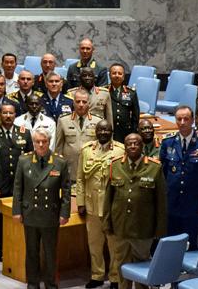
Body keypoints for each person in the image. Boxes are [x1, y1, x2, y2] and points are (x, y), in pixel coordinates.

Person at [104, 133, 167, 287]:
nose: (133, 146)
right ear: (124, 147)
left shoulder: (154, 167)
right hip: (121, 228)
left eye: (136, 143)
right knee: (121, 268)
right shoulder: (115, 165)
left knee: (141, 270)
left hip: (143, 229)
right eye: (129, 144)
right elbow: (108, 199)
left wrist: (159, 230)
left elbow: (161, 202)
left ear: (142, 146)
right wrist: (107, 224)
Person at [12, 128, 71, 289]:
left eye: (44, 141)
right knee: (32, 252)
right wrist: (17, 211)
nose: (40, 145)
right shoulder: (24, 160)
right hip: (30, 213)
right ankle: (33, 284)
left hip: (50, 214)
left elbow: (66, 191)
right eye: (37, 141)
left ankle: (51, 284)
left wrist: (64, 213)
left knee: (50, 253)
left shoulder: (59, 162)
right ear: (33, 142)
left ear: (49, 142)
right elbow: (18, 188)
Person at [76, 120, 124, 289]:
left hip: (112, 207)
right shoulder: (87, 150)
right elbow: (80, 178)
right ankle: (96, 275)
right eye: (100, 130)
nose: (103, 132)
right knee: (94, 244)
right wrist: (80, 202)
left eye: (107, 130)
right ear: (95, 131)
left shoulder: (120, 150)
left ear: (112, 132)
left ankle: (115, 278)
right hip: (92, 205)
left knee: (114, 245)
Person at [160, 106, 198, 249]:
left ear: (192, 120)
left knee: (191, 243)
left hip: (193, 203)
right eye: (179, 119)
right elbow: (162, 175)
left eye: (186, 119)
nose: (182, 122)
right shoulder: (167, 142)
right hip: (172, 201)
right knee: (171, 242)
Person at [0, 102, 32, 261]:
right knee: (0, 220)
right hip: (0, 185)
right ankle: (2, 250)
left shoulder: (24, 133)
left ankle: (20, 247)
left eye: (11, 113)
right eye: (5, 113)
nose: (8, 116)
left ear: (15, 115)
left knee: (20, 217)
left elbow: (31, 161)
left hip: (19, 185)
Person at [55, 88, 98, 182]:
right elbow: (58, 148)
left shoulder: (97, 121)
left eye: (84, 102)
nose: (81, 104)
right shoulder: (63, 120)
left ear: (89, 103)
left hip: (90, 170)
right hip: (69, 171)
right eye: (78, 101)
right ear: (73, 103)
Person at [106, 63, 139, 142]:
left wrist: (133, 133)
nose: (117, 75)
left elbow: (135, 116)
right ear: (109, 75)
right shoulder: (104, 91)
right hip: (108, 130)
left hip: (125, 132)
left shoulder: (131, 93)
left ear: (123, 76)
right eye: (114, 73)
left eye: (120, 73)